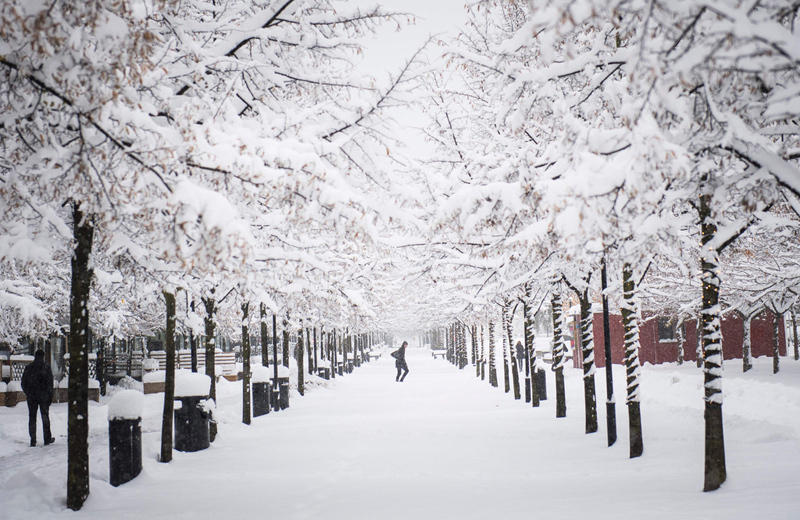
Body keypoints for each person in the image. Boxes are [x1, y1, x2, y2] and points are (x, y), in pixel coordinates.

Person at [21, 350, 55, 447]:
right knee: (45, 417)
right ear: (43, 356)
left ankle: (33, 440)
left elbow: (23, 383)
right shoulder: (46, 367)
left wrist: (28, 392)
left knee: (32, 418)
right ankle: (47, 439)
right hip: (43, 397)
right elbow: (50, 384)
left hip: (32, 397)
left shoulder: (29, 367)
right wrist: (49, 396)